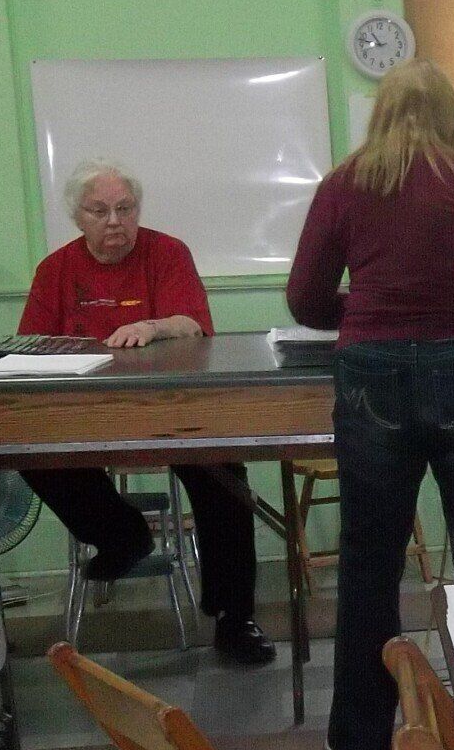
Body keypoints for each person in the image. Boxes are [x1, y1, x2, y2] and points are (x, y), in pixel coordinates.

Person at [287, 58, 454, 750]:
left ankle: (361, 738)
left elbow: (305, 300)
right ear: (450, 117)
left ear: (380, 114)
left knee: (369, 558)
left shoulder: (343, 184)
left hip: (372, 377)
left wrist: (366, 310)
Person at [18, 158, 273, 665]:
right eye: (100, 210)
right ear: (78, 217)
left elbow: (195, 324)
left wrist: (154, 326)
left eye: (124, 209)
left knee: (223, 472)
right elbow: (30, 346)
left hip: (170, 408)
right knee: (29, 452)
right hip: (85, 413)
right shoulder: (56, 269)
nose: (114, 221)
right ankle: (122, 534)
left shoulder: (167, 252)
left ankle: (234, 616)